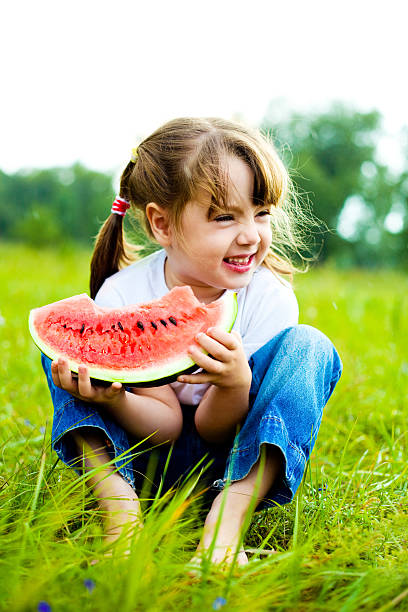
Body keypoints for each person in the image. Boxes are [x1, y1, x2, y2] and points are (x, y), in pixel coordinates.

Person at [41, 117, 342, 568]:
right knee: (63, 350)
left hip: (234, 465)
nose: (250, 235)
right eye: (224, 217)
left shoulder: (268, 300)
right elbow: (166, 425)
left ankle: (225, 525)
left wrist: (235, 385)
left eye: (261, 213)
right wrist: (114, 399)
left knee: (311, 347)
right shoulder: (124, 294)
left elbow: (211, 430)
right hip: (141, 462)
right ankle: (120, 515)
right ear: (162, 224)